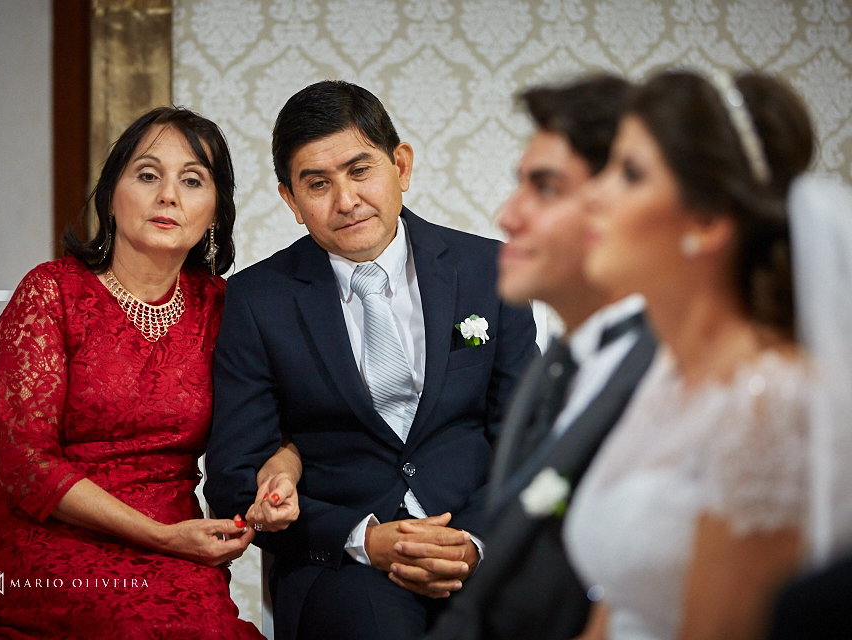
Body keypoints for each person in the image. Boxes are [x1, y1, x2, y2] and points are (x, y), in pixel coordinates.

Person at [205, 80, 538, 640]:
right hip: (339, 564)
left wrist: (473, 543)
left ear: (401, 167)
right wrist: (362, 538)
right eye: (318, 184)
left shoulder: (489, 271)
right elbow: (237, 482)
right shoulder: (257, 301)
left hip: (480, 544)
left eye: (361, 171)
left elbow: (526, 440)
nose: (346, 201)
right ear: (290, 199)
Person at [0, 106, 300, 639]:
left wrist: (280, 477)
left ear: (215, 211)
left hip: (175, 551)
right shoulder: (51, 293)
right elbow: (24, 465)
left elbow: (279, 432)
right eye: (147, 175)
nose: (169, 195)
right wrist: (160, 538)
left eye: (192, 180)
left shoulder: (223, 309)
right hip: (34, 551)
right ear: (111, 194)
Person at [563, 69, 815, 640]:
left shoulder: (769, 405)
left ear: (705, 221)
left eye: (629, 174)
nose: (594, 195)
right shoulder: (665, 375)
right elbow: (617, 602)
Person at [425, 73, 657, 640]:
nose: (508, 215)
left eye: (546, 188)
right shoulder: (556, 365)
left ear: (620, 204)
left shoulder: (667, 379)